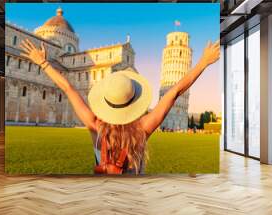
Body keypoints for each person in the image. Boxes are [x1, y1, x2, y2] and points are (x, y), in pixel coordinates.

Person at [20, 38, 220, 175]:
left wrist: (43, 63)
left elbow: (68, 88)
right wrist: (203, 62)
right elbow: (174, 92)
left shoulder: (95, 126)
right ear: (134, 101)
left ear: (106, 101)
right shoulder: (143, 129)